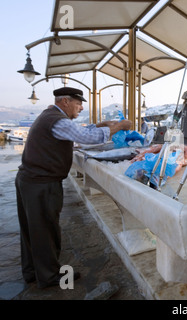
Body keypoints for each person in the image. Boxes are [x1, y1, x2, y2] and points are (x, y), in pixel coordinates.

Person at [15, 87, 132, 289]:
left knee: (31, 229)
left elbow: (79, 131)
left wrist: (100, 124)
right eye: (78, 104)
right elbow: (84, 137)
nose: (81, 107)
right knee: (46, 230)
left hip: (29, 180)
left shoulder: (50, 116)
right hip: (41, 184)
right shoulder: (57, 120)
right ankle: (50, 276)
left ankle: (32, 271)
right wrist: (120, 126)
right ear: (66, 102)